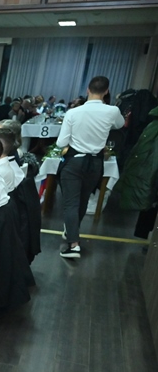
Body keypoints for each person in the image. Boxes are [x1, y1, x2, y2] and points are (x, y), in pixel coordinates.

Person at [56, 75, 125, 259]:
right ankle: (72, 232)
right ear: (107, 91)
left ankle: (74, 245)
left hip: (74, 160)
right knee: (83, 200)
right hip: (95, 163)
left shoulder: (73, 112)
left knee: (71, 203)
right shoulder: (112, 111)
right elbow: (120, 124)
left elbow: (61, 142)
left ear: (88, 89)